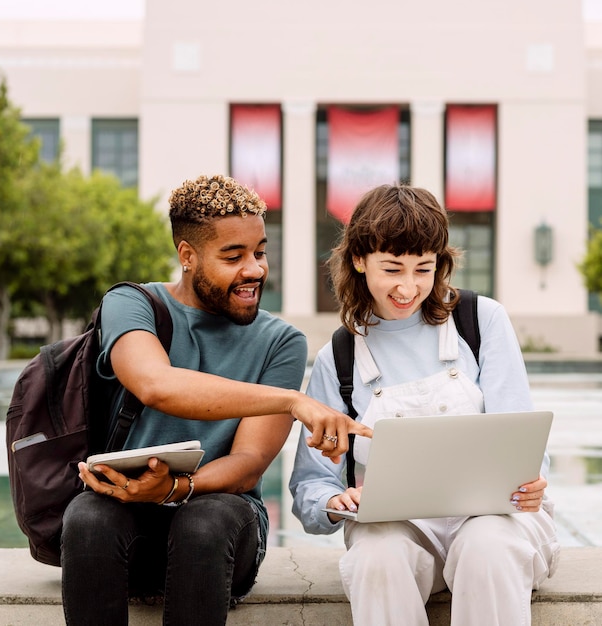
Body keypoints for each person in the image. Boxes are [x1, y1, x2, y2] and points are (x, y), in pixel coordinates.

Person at [60, 174, 370, 626]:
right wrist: (289, 400)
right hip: (126, 524)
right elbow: (155, 384)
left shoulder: (280, 342)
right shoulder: (131, 304)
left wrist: (175, 488)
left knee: (204, 521)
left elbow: (247, 466)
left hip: (223, 530)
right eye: (233, 256)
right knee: (87, 516)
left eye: (260, 252)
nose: (255, 270)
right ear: (187, 255)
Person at [289, 183, 560, 626]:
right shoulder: (338, 358)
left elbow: (523, 437)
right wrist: (338, 500)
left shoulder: (481, 320)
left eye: (423, 269)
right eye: (392, 268)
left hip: (495, 522)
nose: (408, 287)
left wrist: (531, 481)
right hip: (403, 532)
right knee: (376, 556)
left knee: (487, 547)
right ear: (358, 260)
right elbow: (310, 485)